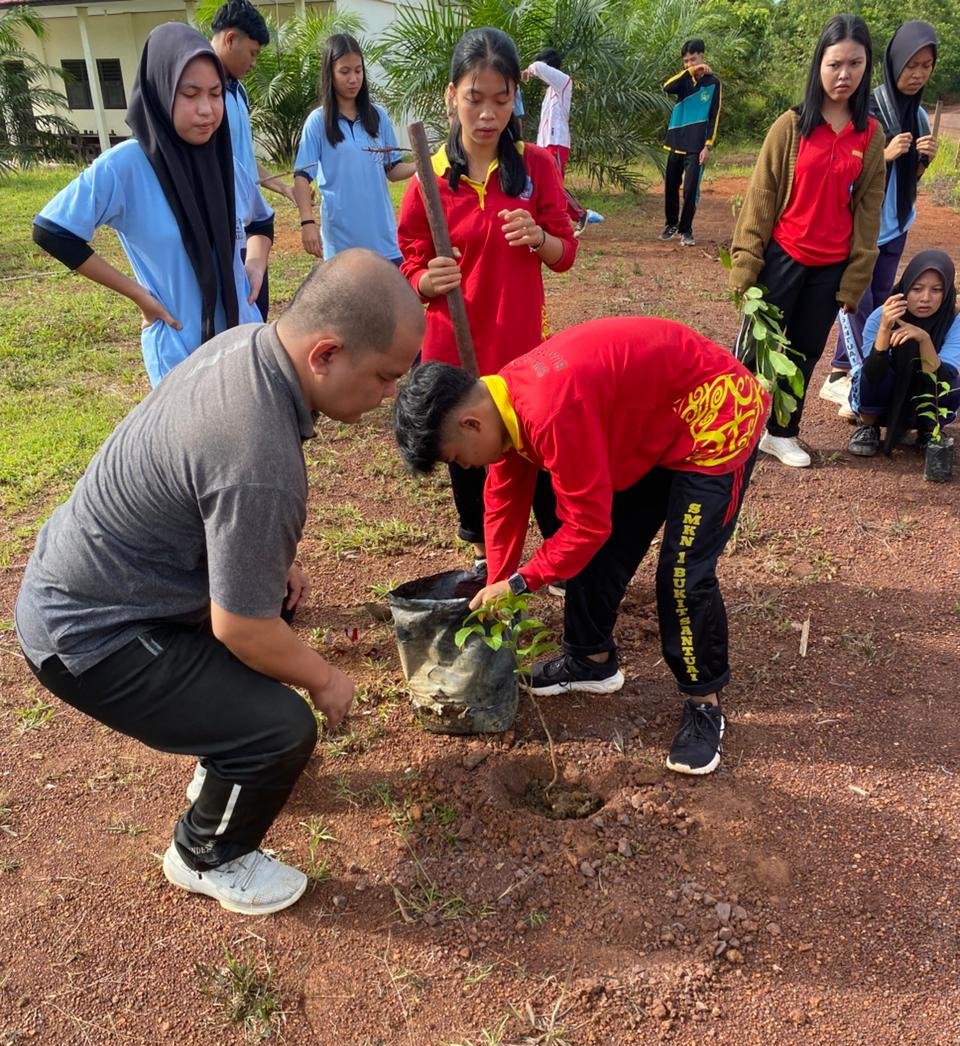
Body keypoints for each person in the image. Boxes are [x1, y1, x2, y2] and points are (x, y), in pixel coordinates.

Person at [14, 251, 424, 917]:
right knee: (282, 727)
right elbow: (241, 627)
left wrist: (262, 568)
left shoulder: (249, 343)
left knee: (276, 596)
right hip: (88, 636)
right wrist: (325, 679)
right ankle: (206, 854)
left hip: (115, 581)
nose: (387, 397)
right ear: (324, 354)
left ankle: (220, 746)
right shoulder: (257, 452)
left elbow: (206, 498)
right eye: (383, 377)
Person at [392, 317, 768, 776]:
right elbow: (503, 501)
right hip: (656, 421)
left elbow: (587, 525)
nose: (466, 467)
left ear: (470, 424)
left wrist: (519, 582)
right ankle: (590, 661)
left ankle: (703, 701)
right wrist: (495, 583)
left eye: (456, 457)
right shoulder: (501, 402)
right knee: (596, 552)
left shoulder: (548, 409)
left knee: (682, 577)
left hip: (715, 414)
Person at [398, 26, 577, 571]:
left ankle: (560, 556)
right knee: (468, 453)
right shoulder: (428, 183)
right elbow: (408, 259)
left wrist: (540, 238)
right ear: (451, 95)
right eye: (475, 99)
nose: (487, 115)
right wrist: (427, 281)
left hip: (521, 349)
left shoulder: (536, 168)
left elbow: (565, 251)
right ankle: (485, 552)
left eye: (501, 100)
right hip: (454, 348)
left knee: (539, 457)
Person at [32, 23, 274, 388]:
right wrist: (140, 296)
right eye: (190, 94)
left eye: (215, 94)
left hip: (242, 343)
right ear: (160, 92)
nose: (207, 109)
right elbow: (52, 231)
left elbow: (261, 223)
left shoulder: (224, 163)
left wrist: (255, 264)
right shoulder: (127, 165)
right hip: (179, 350)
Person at [730, 13, 886, 468]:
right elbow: (760, 196)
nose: (844, 75)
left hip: (830, 267)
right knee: (756, 349)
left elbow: (868, 211)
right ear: (819, 65)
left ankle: (782, 432)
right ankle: (735, 427)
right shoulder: (792, 125)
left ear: (866, 67)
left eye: (854, 64)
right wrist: (746, 263)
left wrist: (855, 279)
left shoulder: (870, 137)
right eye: (835, 64)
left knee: (803, 351)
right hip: (783, 256)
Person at [821, 20, 939, 415]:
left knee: (877, 303)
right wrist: (883, 157)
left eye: (926, 66)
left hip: (896, 226)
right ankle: (857, 377)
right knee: (859, 301)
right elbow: (843, 176)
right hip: (864, 227)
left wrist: (922, 162)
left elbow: (910, 181)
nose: (917, 73)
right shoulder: (867, 109)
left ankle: (841, 373)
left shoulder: (919, 116)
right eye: (911, 64)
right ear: (893, 62)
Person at [293, 33, 414, 264]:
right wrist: (307, 222)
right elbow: (301, 176)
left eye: (358, 71)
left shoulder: (378, 116)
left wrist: (422, 165)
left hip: (383, 240)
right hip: (341, 243)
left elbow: (392, 170)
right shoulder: (318, 122)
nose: (353, 79)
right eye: (345, 71)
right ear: (330, 73)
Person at [210, 0, 297, 322]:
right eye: (253, 52)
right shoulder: (205, 96)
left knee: (254, 314)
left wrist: (283, 189)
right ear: (230, 39)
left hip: (252, 229)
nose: (253, 62)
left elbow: (244, 159)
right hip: (220, 231)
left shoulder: (238, 92)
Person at [847, 250, 959, 457]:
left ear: (947, 292)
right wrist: (884, 329)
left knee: (951, 383)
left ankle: (929, 430)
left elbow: (941, 378)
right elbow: (873, 372)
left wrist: (923, 339)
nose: (925, 298)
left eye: (936, 290)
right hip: (884, 398)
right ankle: (868, 426)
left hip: (923, 396)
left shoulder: (954, 321)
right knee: (870, 372)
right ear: (906, 288)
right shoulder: (882, 315)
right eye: (917, 289)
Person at [659, 38, 721, 248]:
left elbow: (714, 116)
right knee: (670, 186)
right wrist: (690, 71)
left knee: (690, 189)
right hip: (676, 140)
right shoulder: (684, 80)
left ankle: (686, 230)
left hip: (697, 146)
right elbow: (666, 87)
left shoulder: (714, 84)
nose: (689, 64)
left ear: (702, 56)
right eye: (685, 61)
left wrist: (708, 145)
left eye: (693, 59)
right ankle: (671, 225)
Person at [521, 48, 589, 235]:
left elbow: (538, 66)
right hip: (545, 144)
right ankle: (549, 220)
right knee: (545, 184)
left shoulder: (563, 83)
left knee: (555, 184)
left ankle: (578, 214)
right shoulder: (550, 91)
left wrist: (528, 71)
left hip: (557, 142)